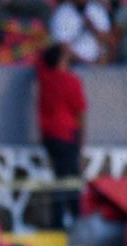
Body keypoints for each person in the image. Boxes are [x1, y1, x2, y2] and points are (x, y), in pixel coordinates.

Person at [36, 43, 87, 229]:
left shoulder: (45, 77)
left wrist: (59, 47)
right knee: (71, 181)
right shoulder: (72, 81)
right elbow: (80, 115)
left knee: (59, 178)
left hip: (49, 136)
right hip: (66, 135)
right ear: (60, 61)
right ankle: (75, 220)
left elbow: (39, 58)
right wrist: (81, 143)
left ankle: (57, 221)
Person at [50, 0, 115, 64]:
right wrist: (85, 63)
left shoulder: (98, 10)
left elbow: (109, 41)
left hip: (99, 64)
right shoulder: (62, 13)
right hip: (73, 64)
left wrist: (92, 28)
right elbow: (62, 45)